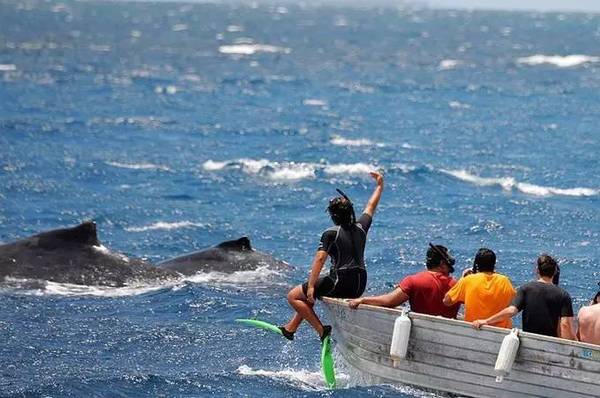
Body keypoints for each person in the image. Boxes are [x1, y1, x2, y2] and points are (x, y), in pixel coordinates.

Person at [279, 171, 384, 342]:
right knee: (308, 292)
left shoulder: (330, 233)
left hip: (341, 282)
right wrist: (380, 185)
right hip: (360, 283)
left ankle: (321, 330)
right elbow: (371, 206)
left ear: (333, 216)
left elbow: (320, 259)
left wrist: (312, 285)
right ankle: (291, 328)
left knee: (294, 295)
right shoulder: (362, 227)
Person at [472, 254, 576, 340]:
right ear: (554, 272)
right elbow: (565, 325)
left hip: (529, 341)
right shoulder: (563, 294)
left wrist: (486, 321)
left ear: (537, 270)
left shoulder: (526, 289)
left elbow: (511, 311)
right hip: (550, 344)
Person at [349, 243, 460, 319]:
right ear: (441, 263)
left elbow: (389, 301)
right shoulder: (458, 285)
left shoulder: (413, 281)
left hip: (421, 330)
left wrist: (363, 300)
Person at [443, 248, 516, 328]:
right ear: (494, 264)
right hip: (500, 330)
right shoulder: (504, 281)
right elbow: (514, 304)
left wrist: (462, 278)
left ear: (477, 264)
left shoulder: (468, 280)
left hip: (475, 329)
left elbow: (447, 301)